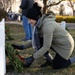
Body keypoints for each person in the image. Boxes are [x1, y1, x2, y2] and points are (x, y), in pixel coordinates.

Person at [12, 3, 75, 69]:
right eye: (28, 19)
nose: (29, 22)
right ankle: (49, 60)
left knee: (57, 66)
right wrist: (22, 47)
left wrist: (32, 58)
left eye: (30, 19)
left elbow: (46, 46)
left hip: (66, 46)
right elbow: (36, 41)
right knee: (40, 40)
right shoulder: (39, 24)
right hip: (58, 43)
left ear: (36, 18)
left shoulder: (47, 26)